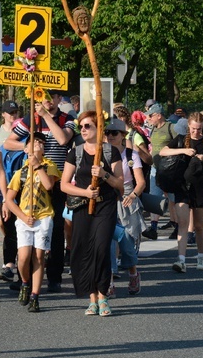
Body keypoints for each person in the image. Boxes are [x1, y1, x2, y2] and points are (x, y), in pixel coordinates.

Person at [5, 89, 74, 293]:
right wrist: (27, 148)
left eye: (51, 98)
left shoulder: (66, 119)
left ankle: (54, 277)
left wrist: (45, 116)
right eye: (43, 97)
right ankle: (23, 276)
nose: (47, 101)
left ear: (59, 99)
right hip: (32, 180)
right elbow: (8, 142)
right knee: (25, 224)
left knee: (56, 230)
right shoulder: (31, 119)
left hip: (56, 179)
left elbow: (63, 140)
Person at [59, 111, 123, 316]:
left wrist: (104, 174)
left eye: (88, 126)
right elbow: (64, 185)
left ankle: (103, 295)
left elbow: (120, 184)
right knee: (83, 249)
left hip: (105, 206)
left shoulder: (110, 151)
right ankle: (92, 298)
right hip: (83, 207)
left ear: (99, 128)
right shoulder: (75, 152)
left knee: (101, 248)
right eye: (81, 126)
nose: (83, 130)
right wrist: (84, 192)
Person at [4, 131, 60, 313]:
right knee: (23, 257)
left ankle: (35, 295)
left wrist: (38, 166)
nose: (38, 145)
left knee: (38, 256)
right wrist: (22, 216)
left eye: (42, 143)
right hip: (25, 219)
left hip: (43, 216)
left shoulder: (49, 166)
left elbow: (49, 185)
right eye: (34, 142)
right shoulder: (20, 172)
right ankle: (25, 282)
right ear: (26, 148)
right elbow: (10, 200)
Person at [160, 112, 203, 272]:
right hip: (182, 187)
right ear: (189, 126)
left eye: (199, 129)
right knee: (183, 224)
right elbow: (163, 152)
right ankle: (181, 260)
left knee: (200, 225)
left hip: (200, 187)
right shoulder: (181, 139)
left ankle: (201, 258)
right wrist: (183, 151)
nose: (196, 132)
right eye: (193, 129)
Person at [104, 119, 143, 295]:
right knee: (108, 241)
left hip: (127, 197)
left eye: (114, 133)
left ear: (122, 136)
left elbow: (141, 182)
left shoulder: (131, 155)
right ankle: (110, 281)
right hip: (108, 198)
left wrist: (133, 195)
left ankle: (133, 273)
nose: (110, 136)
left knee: (127, 241)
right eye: (107, 133)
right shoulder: (102, 153)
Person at [0, 100, 21, 283]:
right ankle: (13, 256)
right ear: (3, 114)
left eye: (15, 112)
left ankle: (10, 264)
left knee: (13, 224)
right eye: (10, 112)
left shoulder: (22, 130)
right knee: (4, 223)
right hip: (3, 182)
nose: (13, 115)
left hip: (19, 182)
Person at [144, 103, 178, 238]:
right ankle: (153, 227)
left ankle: (178, 227)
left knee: (173, 199)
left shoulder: (171, 127)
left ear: (159, 115)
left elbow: (180, 143)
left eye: (151, 115)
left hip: (169, 170)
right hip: (155, 168)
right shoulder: (153, 129)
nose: (149, 118)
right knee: (155, 198)